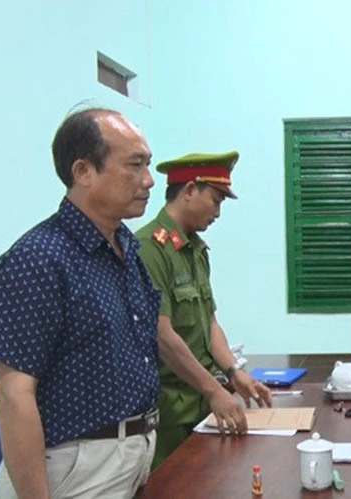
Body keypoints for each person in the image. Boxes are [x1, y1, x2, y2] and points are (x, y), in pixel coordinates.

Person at [0, 108, 161, 498]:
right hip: (75, 468)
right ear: (83, 171)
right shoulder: (38, 260)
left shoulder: (125, 247)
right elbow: (13, 393)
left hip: (131, 454)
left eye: (148, 165)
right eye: (134, 165)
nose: (148, 180)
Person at [136, 152, 272, 468]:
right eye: (216, 200)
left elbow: (209, 323)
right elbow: (162, 336)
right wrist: (213, 390)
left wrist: (234, 373)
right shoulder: (149, 249)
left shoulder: (196, 250)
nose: (218, 213)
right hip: (170, 412)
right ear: (189, 190)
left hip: (203, 404)